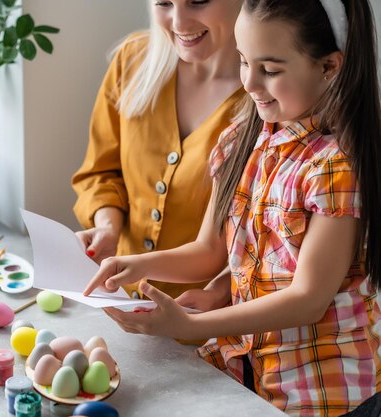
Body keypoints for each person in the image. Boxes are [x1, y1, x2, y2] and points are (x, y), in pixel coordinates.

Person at [83, 0, 381, 415]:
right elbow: (209, 253)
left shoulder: (335, 167)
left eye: (271, 70)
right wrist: (135, 264)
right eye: (244, 62)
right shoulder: (243, 137)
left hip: (322, 393)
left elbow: (308, 298)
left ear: (329, 67)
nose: (251, 83)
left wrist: (190, 327)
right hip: (250, 375)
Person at [72, 0, 245, 302]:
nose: (179, 23)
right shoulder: (132, 60)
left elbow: (270, 231)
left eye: (198, 2)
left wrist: (218, 293)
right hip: (116, 302)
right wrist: (107, 228)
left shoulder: (269, 97)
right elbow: (101, 172)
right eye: (164, 3)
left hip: (208, 325)